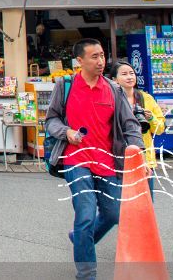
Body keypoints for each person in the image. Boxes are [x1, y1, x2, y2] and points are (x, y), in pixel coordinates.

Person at [44, 39, 144, 280]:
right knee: (85, 215)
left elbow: (130, 125)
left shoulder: (113, 89)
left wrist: (138, 153)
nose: (101, 62)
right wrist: (65, 132)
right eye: (94, 57)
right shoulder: (65, 85)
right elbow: (51, 120)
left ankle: (80, 239)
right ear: (80, 61)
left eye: (102, 56)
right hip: (76, 161)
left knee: (112, 214)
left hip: (108, 162)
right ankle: (87, 274)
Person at [107, 59, 166, 198]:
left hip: (144, 158)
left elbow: (160, 129)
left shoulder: (146, 99)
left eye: (131, 73)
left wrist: (150, 118)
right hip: (117, 158)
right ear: (115, 79)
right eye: (124, 74)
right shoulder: (110, 99)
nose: (129, 77)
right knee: (119, 204)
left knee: (145, 202)